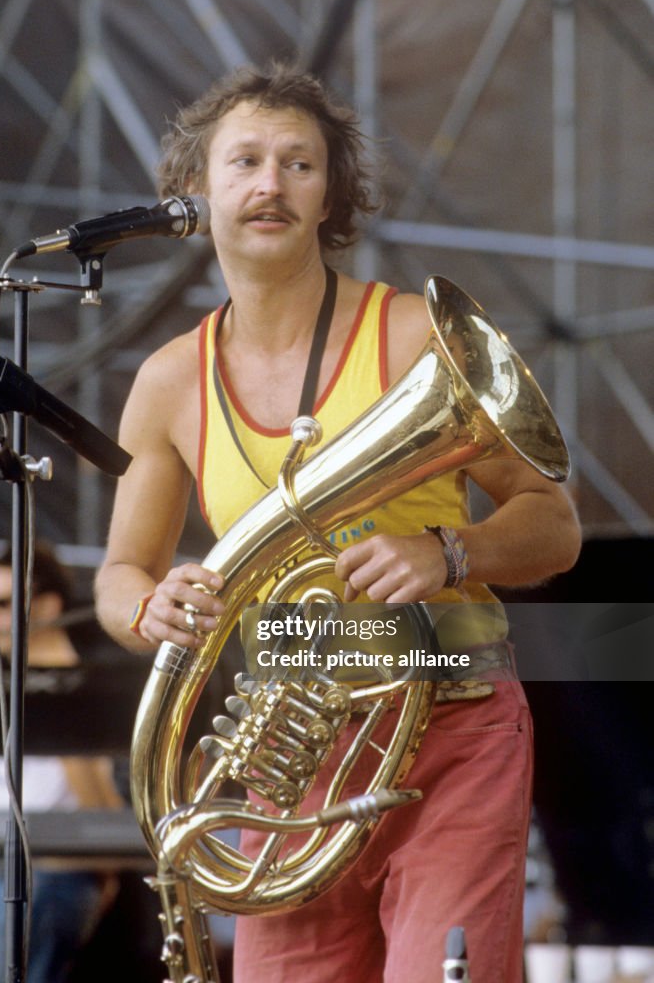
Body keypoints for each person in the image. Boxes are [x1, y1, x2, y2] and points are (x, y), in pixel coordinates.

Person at [94, 64, 581, 983]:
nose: (270, 184)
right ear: (197, 188)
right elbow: (121, 576)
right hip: (292, 764)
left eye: (299, 164)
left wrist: (451, 551)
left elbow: (555, 525)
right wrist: (150, 607)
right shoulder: (166, 381)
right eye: (244, 162)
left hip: (454, 727)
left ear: (333, 195)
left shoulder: (408, 337)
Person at [0, 542, 123, 983]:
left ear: (49, 605)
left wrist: (107, 868)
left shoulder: (60, 685)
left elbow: (89, 784)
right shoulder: (35, 681)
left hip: (47, 875)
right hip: (30, 871)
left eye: (0, 603)